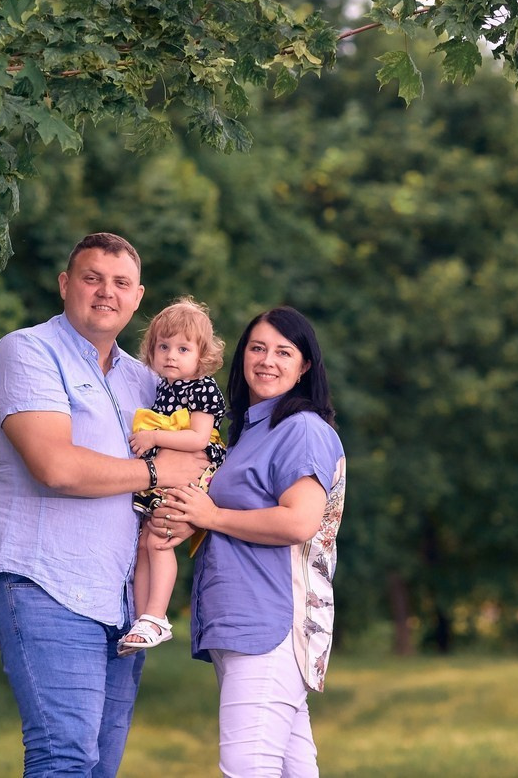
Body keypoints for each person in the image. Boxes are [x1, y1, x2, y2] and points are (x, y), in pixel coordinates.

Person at [0, 232, 210, 776]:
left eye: (121, 283)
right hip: (45, 582)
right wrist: (158, 471)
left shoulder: (146, 380)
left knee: (100, 766)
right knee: (65, 758)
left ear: (137, 297)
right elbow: (56, 467)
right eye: (92, 278)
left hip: (122, 598)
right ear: (65, 285)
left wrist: (185, 509)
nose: (107, 292)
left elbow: (196, 455)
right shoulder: (27, 351)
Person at [155, 306, 346, 777]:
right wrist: (195, 520)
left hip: (270, 622)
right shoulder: (249, 431)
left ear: (305, 366)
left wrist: (213, 516)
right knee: (291, 769)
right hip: (241, 621)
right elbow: (231, 511)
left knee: (247, 767)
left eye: (284, 352)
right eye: (258, 348)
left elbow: (299, 521)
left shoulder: (301, 428)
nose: (267, 360)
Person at [119, 297, 228, 656]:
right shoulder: (164, 387)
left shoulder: (202, 387)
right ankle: (142, 620)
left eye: (183, 349)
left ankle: (157, 617)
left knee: (159, 541)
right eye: (163, 347)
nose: (171, 356)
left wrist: (153, 438)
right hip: (167, 472)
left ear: (202, 355)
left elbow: (198, 438)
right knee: (143, 544)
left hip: (194, 473)